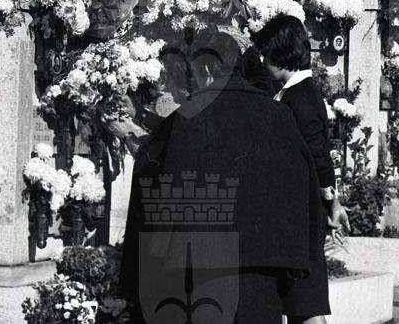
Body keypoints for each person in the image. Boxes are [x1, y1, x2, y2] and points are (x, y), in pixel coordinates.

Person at [114, 30, 324, 323]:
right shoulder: (281, 116)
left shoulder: (190, 117)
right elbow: (306, 199)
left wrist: (138, 288)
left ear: (208, 70)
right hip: (265, 284)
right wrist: (306, 296)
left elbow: (155, 186)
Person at [253, 16, 351, 324]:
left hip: (302, 215)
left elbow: (318, 155)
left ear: (280, 53)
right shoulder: (299, 92)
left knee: (304, 303)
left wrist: (331, 201)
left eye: (265, 54)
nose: (262, 61)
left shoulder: (299, 98)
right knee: (300, 303)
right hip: (301, 213)